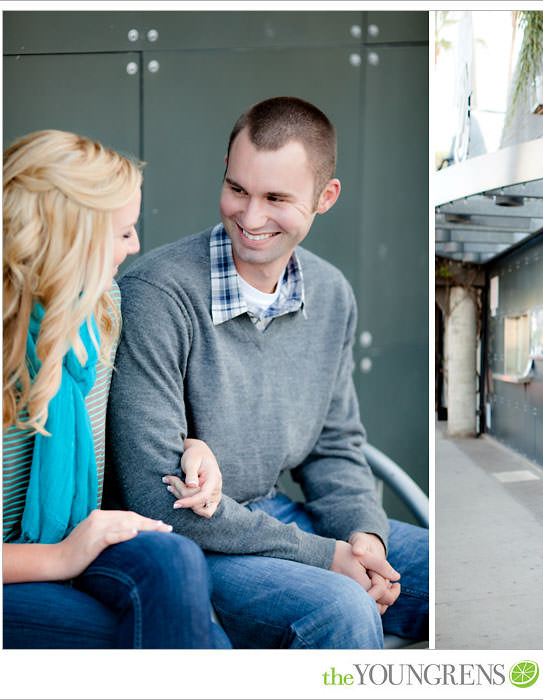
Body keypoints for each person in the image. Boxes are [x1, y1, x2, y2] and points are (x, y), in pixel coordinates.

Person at [105, 96, 429, 649]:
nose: (250, 218)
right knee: (343, 608)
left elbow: (334, 446)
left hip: (279, 517)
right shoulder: (157, 295)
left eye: (276, 198)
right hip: (187, 544)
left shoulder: (331, 294)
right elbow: (159, 497)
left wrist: (364, 536)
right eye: (237, 189)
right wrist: (327, 555)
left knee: (437, 570)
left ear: (325, 197)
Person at [2, 130, 230, 648]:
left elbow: (131, 419)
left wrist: (192, 447)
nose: (136, 247)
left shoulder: (102, 309)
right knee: (201, 645)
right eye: (124, 232)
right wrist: (62, 558)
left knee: (175, 562)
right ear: (68, 238)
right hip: (20, 568)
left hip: (78, 541)